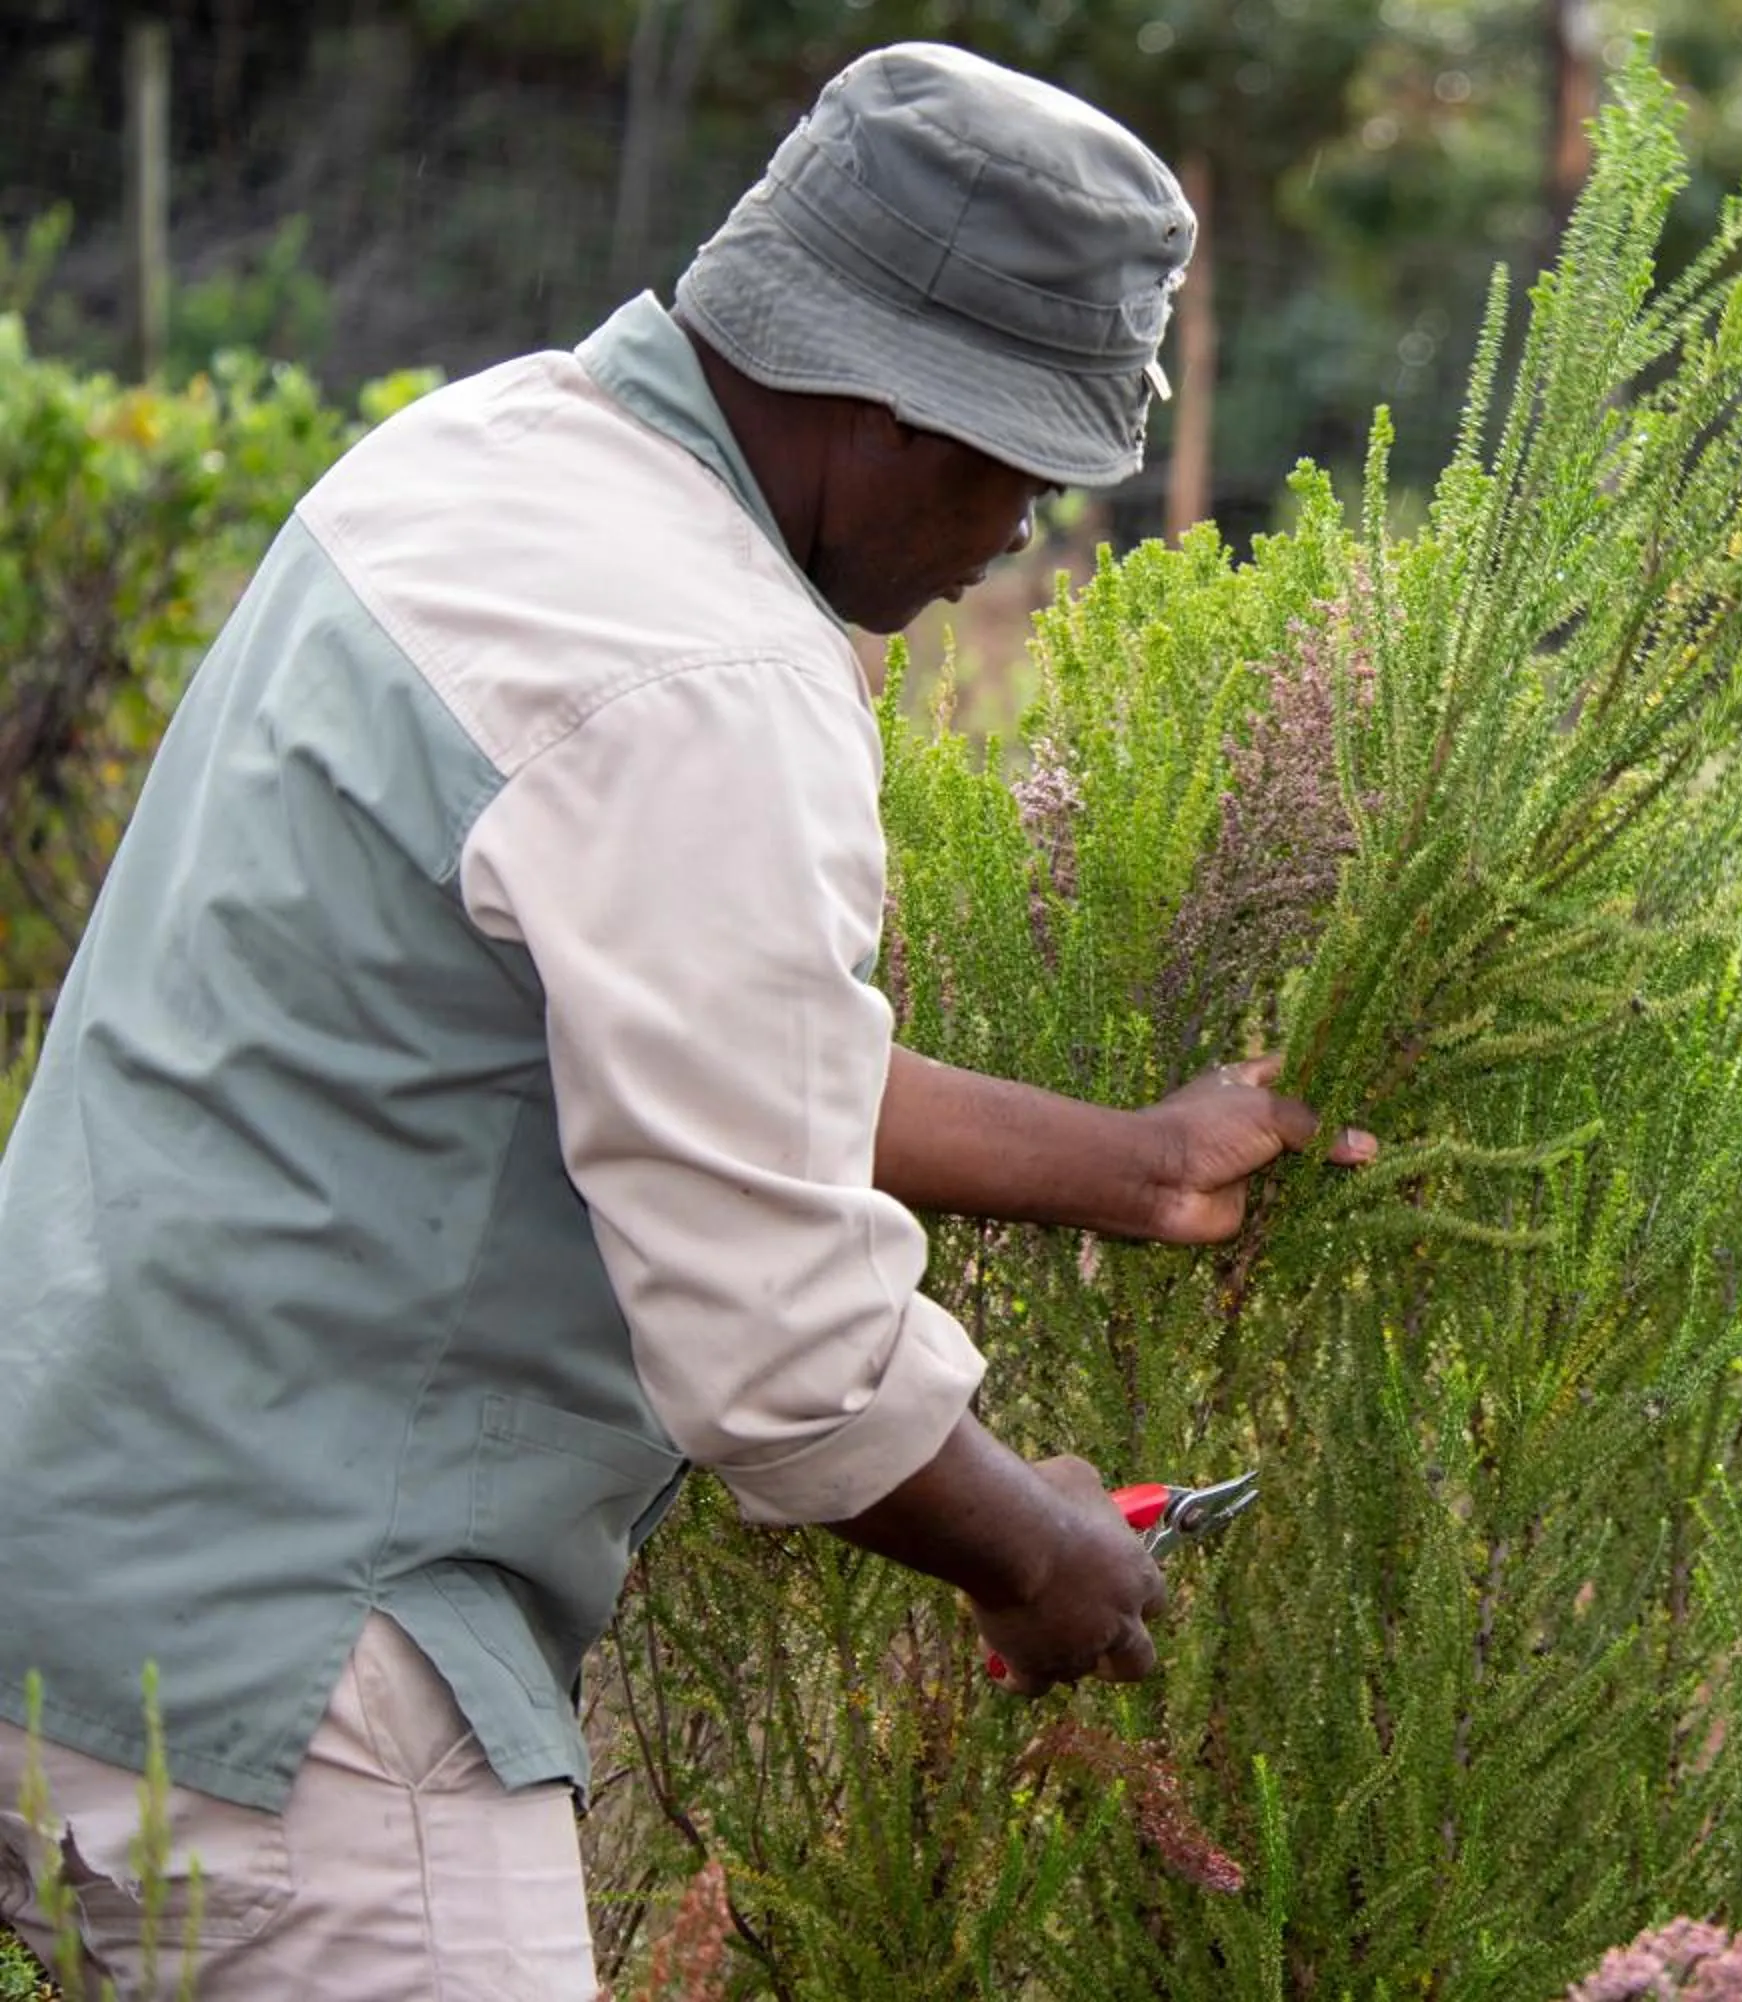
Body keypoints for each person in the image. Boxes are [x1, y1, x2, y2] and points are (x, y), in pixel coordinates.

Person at [0, 43, 1353, 1999]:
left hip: (70, 1540)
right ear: (887, 406)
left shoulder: (476, 462)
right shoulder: (704, 671)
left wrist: (1135, 1165)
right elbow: (779, 1351)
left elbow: (674, 1048)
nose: (1019, 536)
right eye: (1020, 467)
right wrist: (1036, 1554)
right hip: (295, 1670)